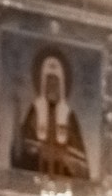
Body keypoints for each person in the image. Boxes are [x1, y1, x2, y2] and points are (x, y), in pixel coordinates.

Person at [11, 48, 91, 180]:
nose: (52, 86)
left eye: (55, 82)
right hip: (36, 175)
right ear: (42, 83)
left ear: (62, 85)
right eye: (49, 81)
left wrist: (62, 155)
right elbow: (22, 151)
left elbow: (81, 163)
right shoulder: (35, 111)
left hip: (64, 179)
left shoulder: (69, 116)